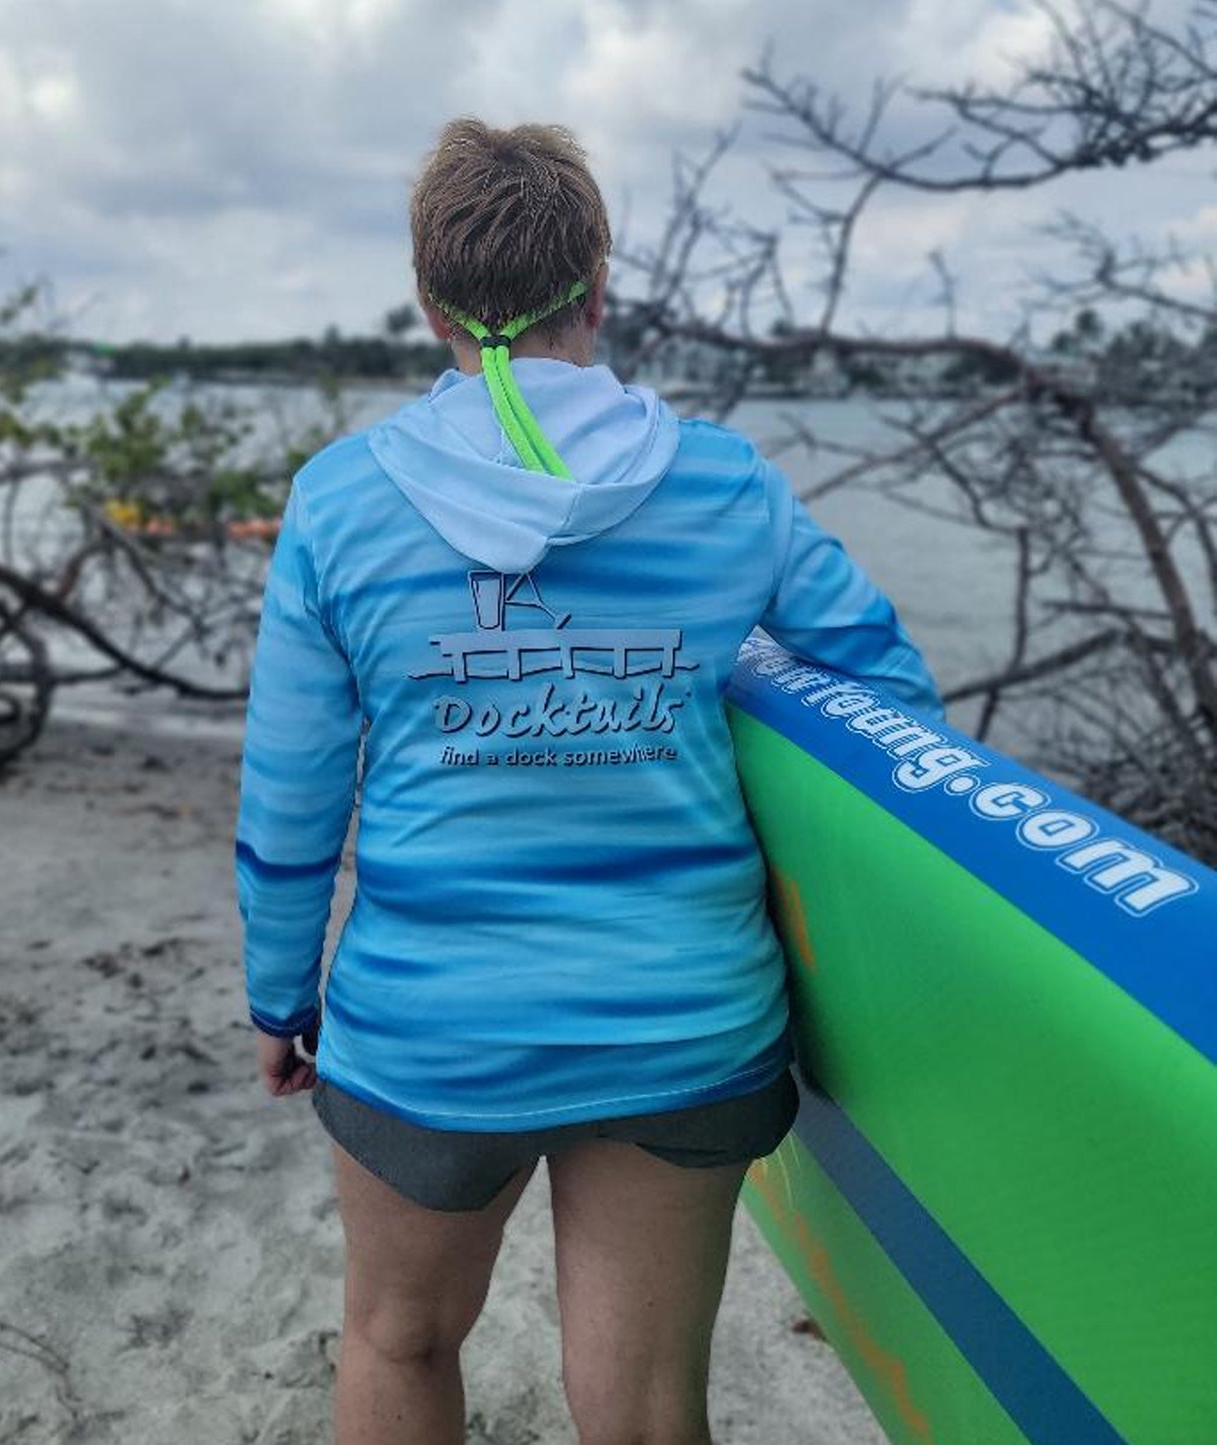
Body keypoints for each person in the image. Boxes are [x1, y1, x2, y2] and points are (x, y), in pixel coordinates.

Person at [236, 119, 942, 1445]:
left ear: (431, 302)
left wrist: (278, 992)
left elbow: (290, 792)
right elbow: (891, 698)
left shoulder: (337, 504)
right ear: (598, 290)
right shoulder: (727, 485)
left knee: (400, 1336)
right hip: (684, 1018)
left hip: (428, 1030)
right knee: (643, 1405)